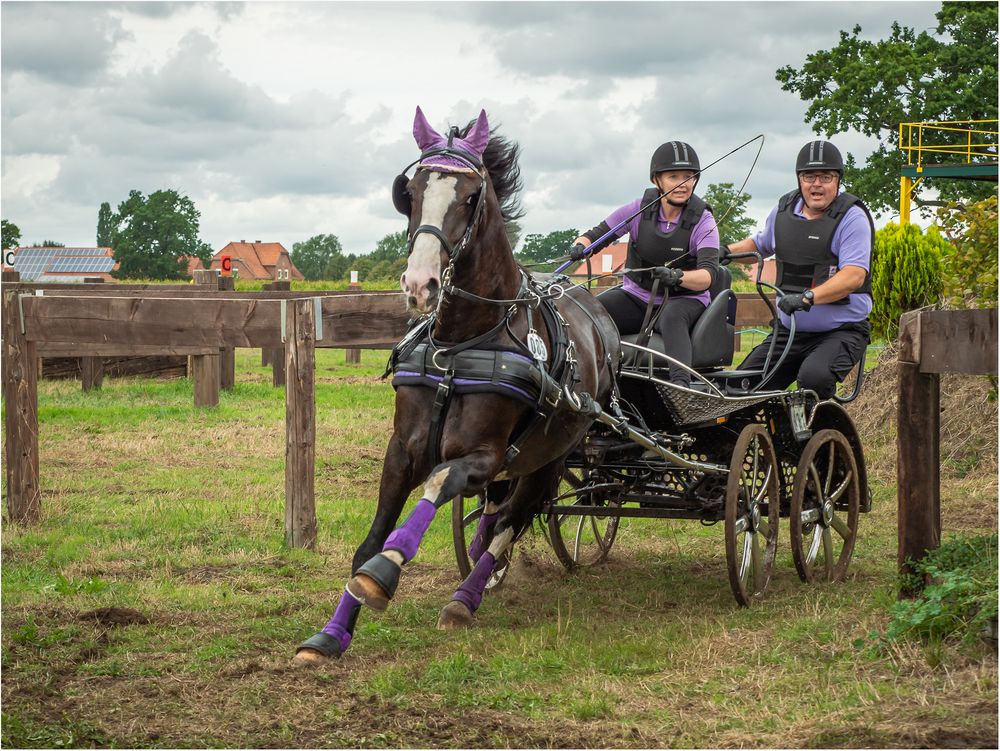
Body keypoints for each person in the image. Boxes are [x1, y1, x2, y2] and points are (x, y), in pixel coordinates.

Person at [724, 139, 873, 399]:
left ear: (838, 181)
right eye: (809, 176)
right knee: (740, 386)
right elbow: (760, 245)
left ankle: (821, 433)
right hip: (790, 331)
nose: (816, 184)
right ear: (799, 179)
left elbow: (853, 275)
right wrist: (723, 253)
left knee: (813, 378)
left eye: (825, 177)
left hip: (841, 331)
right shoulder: (783, 211)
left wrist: (808, 298)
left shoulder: (852, 217)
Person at [571, 141, 720, 387]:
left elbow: (708, 276)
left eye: (689, 177)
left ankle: (681, 389)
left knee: (672, 318)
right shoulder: (639, 209)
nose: (683, 184)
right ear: (656, 180)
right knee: (592, 311)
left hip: (685, 300)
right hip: (637, 296)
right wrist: (580, 246)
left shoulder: (703, 220)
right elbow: (596, 234)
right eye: (674, 177)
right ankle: (584, 381)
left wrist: (677, 276)